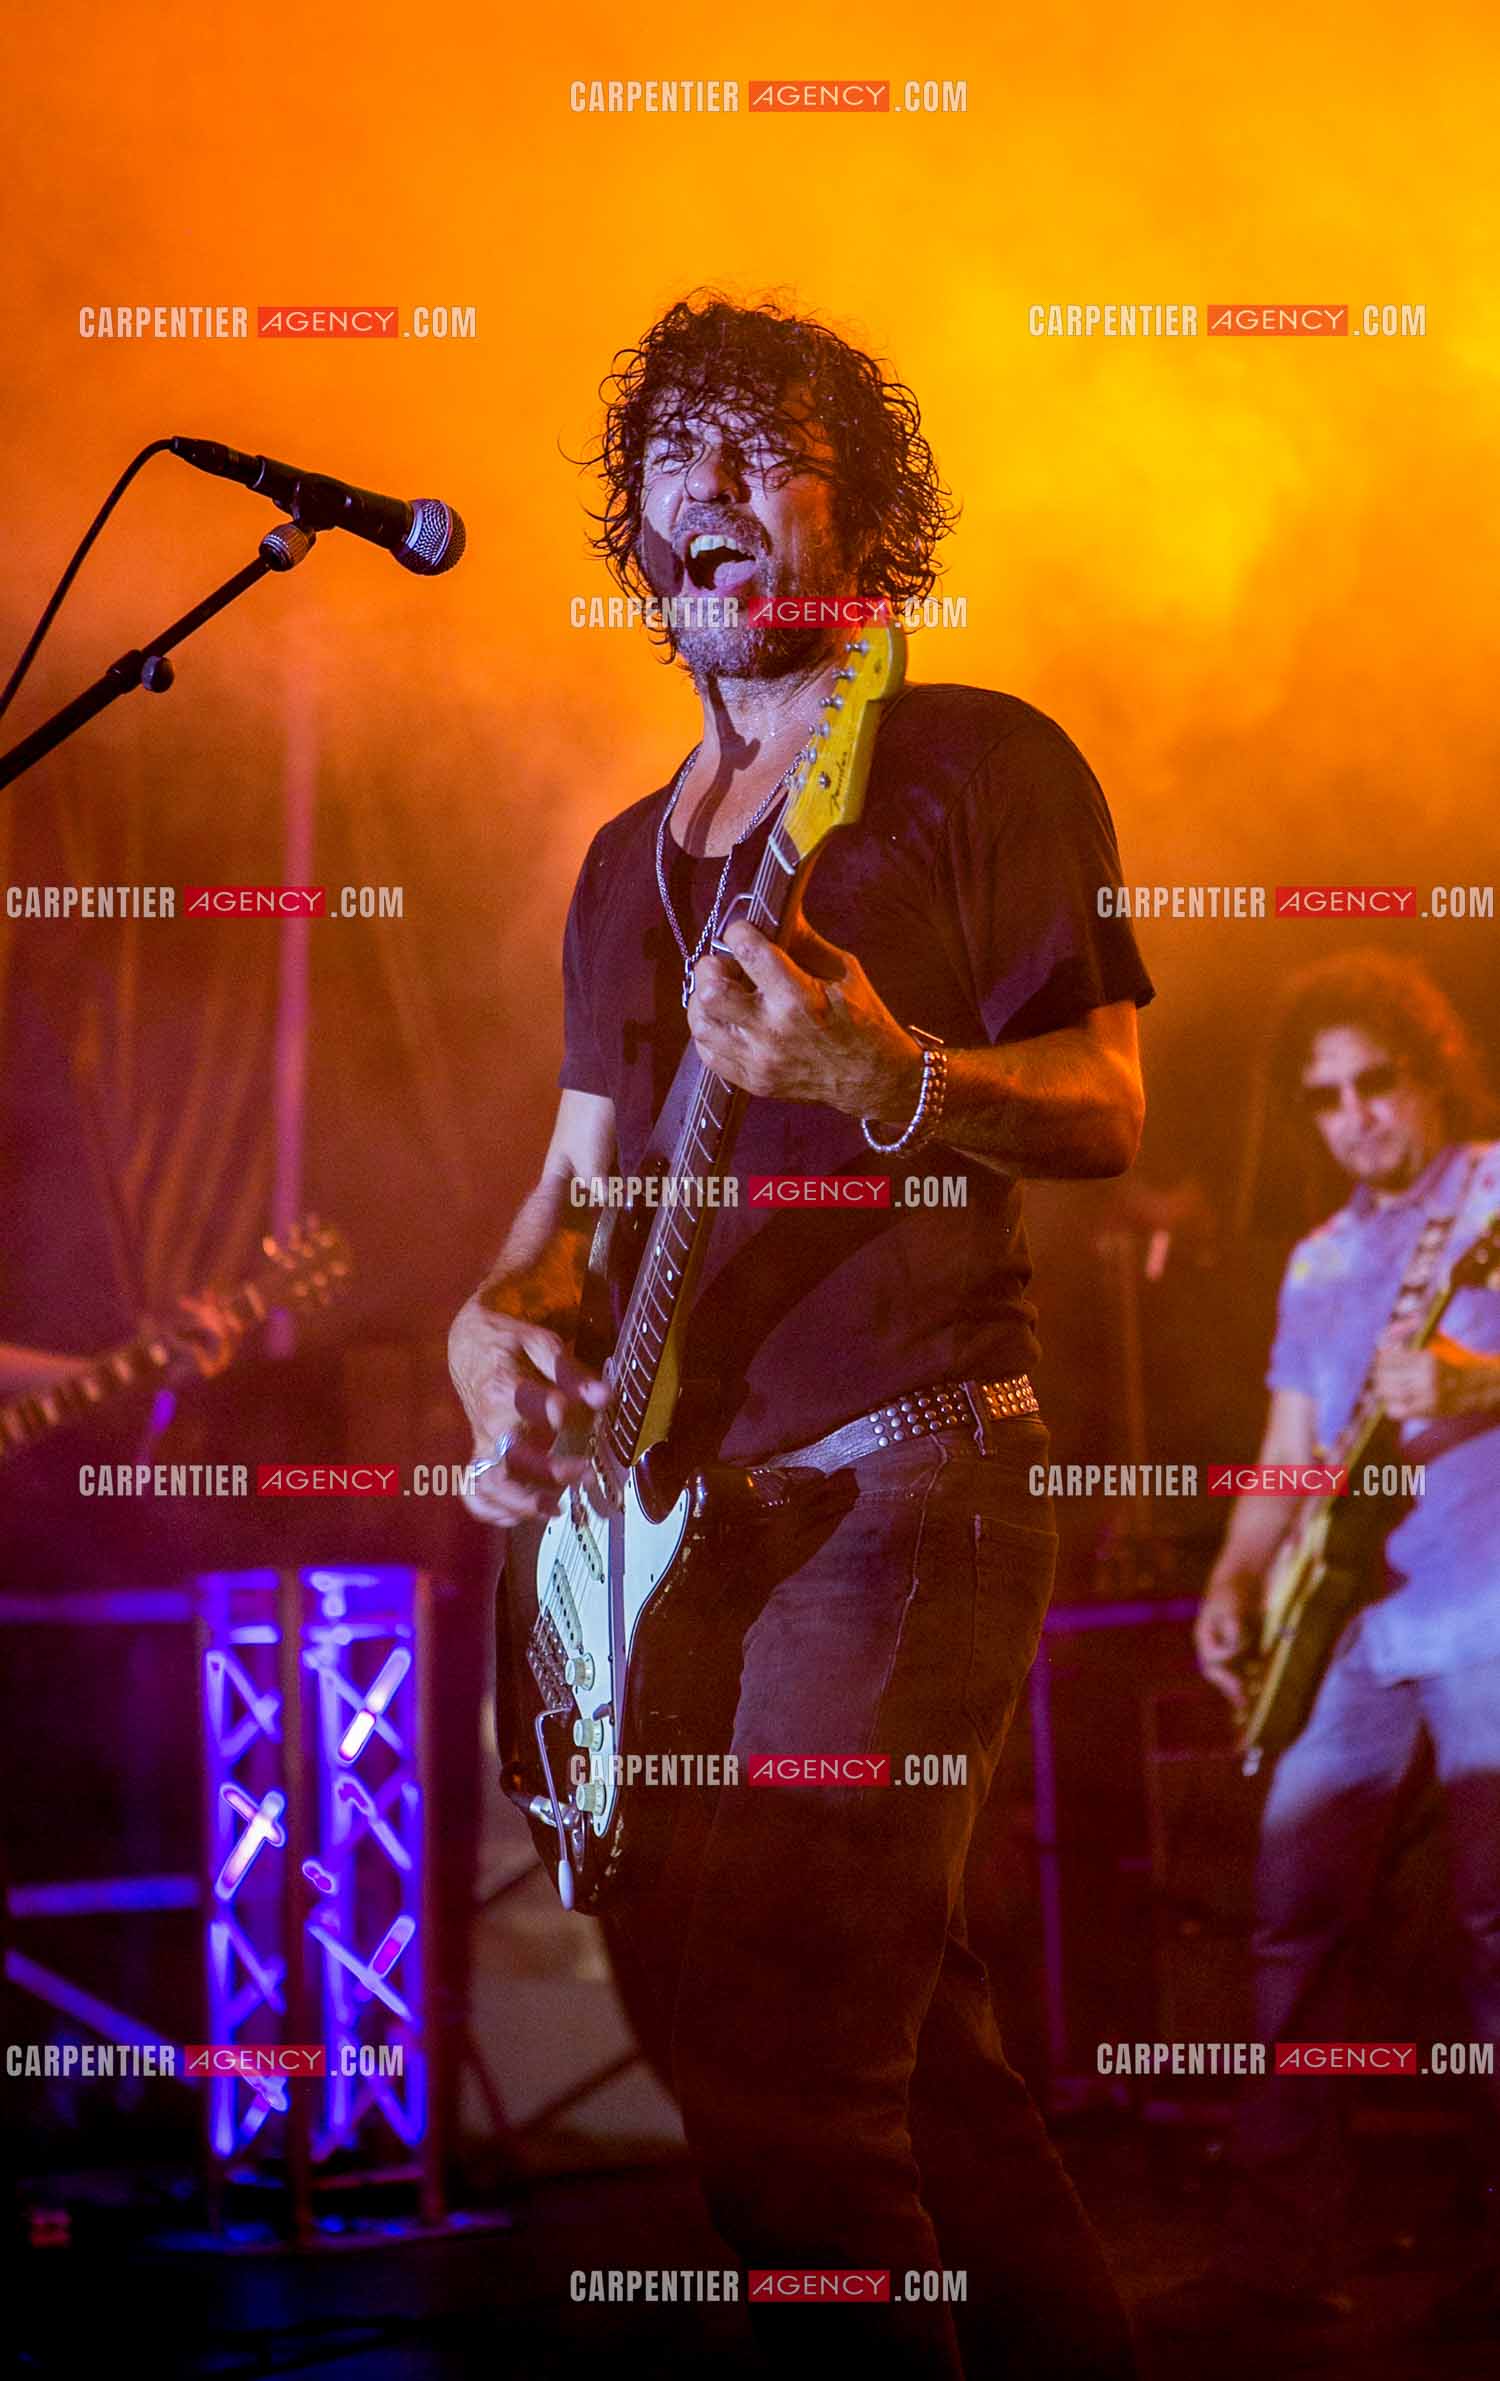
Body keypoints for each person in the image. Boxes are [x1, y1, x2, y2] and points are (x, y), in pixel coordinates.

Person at [449, 291, 1153, 2377]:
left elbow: (1110, 1104)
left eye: (770, 448)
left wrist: (886, 1077)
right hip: (685, 1528)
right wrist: (496, 1345)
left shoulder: (963, 759)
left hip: (906, 1479)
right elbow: (558, 1222)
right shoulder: (613, 870)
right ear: (637, 535)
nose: (718, 486)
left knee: (771, 2068)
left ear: (866, 519)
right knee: (909, 2071)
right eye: (679, 451)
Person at [1158, 951, 1500, 2347]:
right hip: (1344, 1628)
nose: (1355, 1114)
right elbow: (1288, 1458)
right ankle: (1282, 2250)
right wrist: (1236, 1580)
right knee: (1293, 1925)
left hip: (1486, 1605)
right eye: (1327, 1097)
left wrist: (1489, 1384)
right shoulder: (1319, 1257)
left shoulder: (1490, 1193)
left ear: (1431, 1072)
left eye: (1378, 1083)